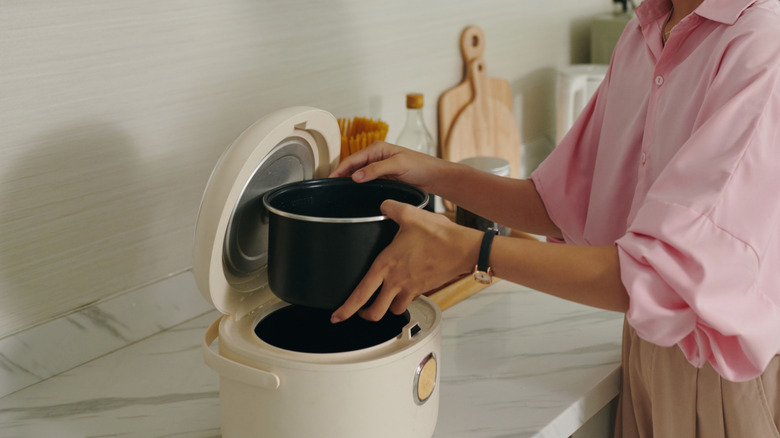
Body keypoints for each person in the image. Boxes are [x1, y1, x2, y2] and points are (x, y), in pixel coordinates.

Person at [329, 0, 780, 435]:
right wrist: (435, 173)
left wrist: (472, 251)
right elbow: (560, 203)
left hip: (721, 375)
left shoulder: (761, 44)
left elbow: (666, 279)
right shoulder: (646, 32)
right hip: (644, 348)